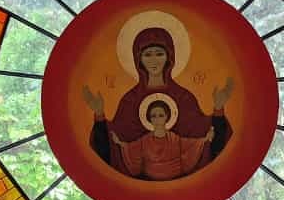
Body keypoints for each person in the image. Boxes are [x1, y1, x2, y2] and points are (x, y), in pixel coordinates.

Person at [83, 26, 234, 179]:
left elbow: (208, 141)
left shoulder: (184, 97)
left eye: (159, 54)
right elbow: (112, 147)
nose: (154, 60)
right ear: (139, 59)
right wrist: (99, 115)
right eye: (147, 54)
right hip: (141, 184)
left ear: (169, 57)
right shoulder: (130, 100)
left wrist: (218, 109)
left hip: (182, 183)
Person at [110, 100, 214, 180]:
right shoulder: (144, 141)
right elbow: (131, 148)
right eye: (153, 116)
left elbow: (192, 145)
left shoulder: (175, 139)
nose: (157, 119)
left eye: (160, 115)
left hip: (176, 180)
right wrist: (119, 143)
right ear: (149, 119)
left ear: (166, 117)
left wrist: (205, 139)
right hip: (150, 182)